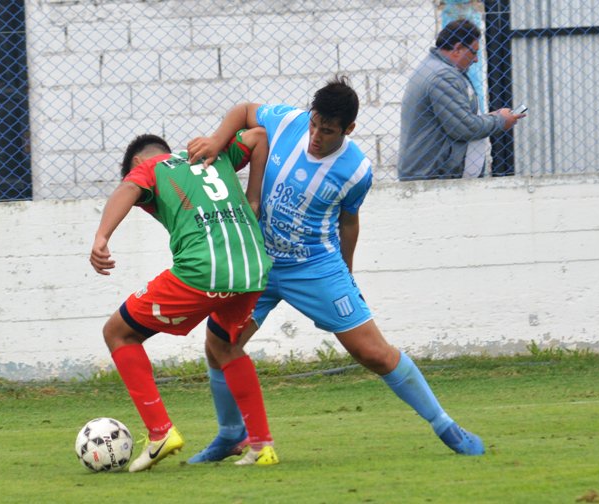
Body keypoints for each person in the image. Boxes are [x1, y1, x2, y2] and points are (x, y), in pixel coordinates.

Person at [185, 76, 485, 464]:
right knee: (220, 344)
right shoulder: (288, 122)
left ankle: (445, 425)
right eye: (314, 125)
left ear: (348, 129)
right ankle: (230, 434)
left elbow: (349, 221)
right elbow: (244, 111)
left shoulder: (357, 170)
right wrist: (216, 139)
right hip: (260, 263)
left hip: (314, 266)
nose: (315, 136)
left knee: (373, 353)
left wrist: (347, 275)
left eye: (326, 131)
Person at [90, 129, 279, 472]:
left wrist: (102, 236)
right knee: (225, 347)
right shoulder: (211, 153)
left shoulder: (151, 168)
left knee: (118, 332)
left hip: (204, 267)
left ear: (136, 162)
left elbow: (128, 188)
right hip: (253, 265)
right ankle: (262, 444)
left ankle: (160, 431)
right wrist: (254, 198)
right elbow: (257, 137)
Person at [397, 19, 525, 181]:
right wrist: (500, 120)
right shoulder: (443, 76)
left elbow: (458, 120)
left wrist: (490, 117)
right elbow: (465, 128)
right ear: (457, 49)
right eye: (473, 52)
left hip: (429, 175)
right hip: (431, 178)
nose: (476, 59)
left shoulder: (434, 68)